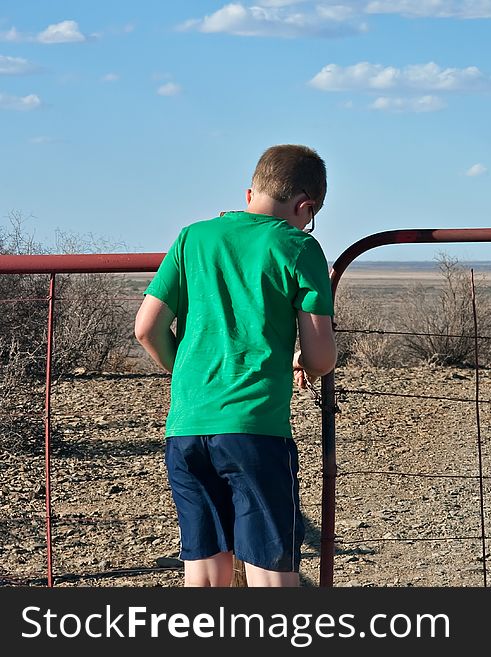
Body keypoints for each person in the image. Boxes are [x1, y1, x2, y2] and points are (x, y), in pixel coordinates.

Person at [134, 144, 337, 587]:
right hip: (256, 429)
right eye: (310, 215)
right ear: (305, 206)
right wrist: (307, 364)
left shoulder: (192, 237)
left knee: (205, 574)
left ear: (250, 194)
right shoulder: (298, 246)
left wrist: (188, 375)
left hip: (187, 426)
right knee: (269, 572)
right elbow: (322, 355)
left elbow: (147, 328)